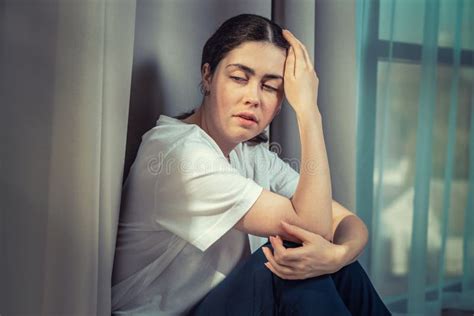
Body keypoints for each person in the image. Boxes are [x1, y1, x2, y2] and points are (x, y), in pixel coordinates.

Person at [112, 13, 391, 315]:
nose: (253, 98)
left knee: (324, 262)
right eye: (239, 78)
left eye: (270, 87)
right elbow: (314, 225)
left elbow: (347, 223)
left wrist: (338, 255)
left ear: (282, 99)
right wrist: (309, 112)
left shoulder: (252, 154)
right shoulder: (179, 154)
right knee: (288, 261)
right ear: (207, 76)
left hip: (219, 306)